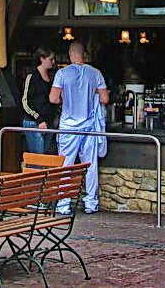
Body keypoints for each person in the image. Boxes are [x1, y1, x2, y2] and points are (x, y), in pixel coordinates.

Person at [49, 41, 109, 214]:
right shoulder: (95, 73)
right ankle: (91, 203)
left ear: (70, 54)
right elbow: (105, 99)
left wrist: (64, 100)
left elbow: (53, 99)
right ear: (85, 54)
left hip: (68, 126)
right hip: (89, 126)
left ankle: (63, 204)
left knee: (66, 165)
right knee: (90, 165)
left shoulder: (62, 73)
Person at [21, 48, 58, 155]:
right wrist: (39, 119)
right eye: (51, 59)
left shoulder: (52, 77)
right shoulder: (31, 76)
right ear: (42, 59)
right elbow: (25, 102)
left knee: (43, 157)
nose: (53, 62)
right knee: (39, 156)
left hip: (48, 122)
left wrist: (54, 117)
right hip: (34, 122)